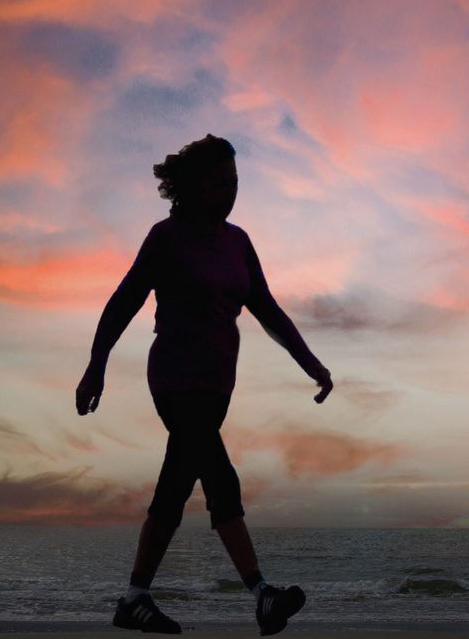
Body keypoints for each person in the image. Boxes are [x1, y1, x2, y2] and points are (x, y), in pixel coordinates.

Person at [77, 134, 334, 636]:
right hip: (174, 379)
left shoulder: (238, 242)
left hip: (217, 387)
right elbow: (122, 301)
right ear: (193, 186)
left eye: (235, 182)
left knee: (177, 482)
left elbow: (267, 309)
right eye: (219, 183)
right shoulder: (166, 237)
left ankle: (134, 599)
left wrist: (311, 363)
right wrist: (96, 364)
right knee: (219, 477)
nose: (230, 192)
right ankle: (261, 594)